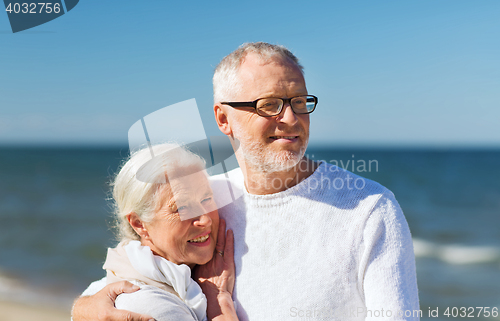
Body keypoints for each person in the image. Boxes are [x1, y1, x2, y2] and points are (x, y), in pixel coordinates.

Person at [72, 42, 420, 320]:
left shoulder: (369, 209)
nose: (291, 118)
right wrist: (83, 308)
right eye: (269, 105)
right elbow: (138, 267)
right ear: (223, 118)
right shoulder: (208, 198)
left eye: (299, 102)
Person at [83, 143, 238, 321]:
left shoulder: (125, 264)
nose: (205, 220)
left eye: (206, 198)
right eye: (182, 207)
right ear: (139, 223)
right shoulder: (151, 307)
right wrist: (219, 300)